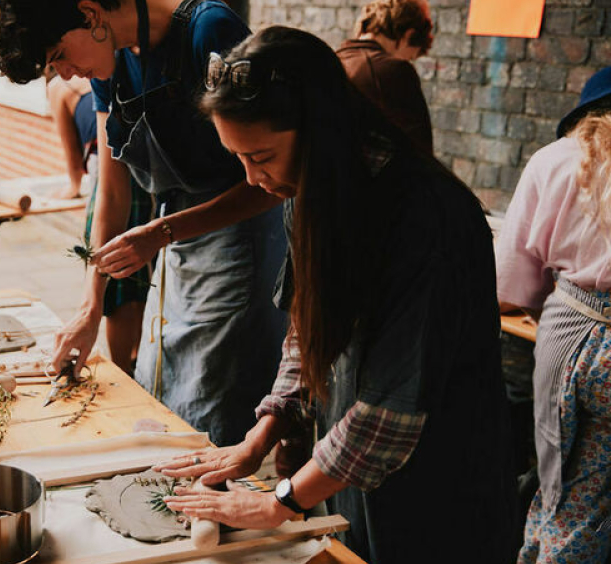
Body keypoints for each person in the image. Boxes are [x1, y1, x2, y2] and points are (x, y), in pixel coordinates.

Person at [156, 27, 519, 563]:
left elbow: (387, 417)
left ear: (319, 131)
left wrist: (279, 502)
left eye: (261, 157)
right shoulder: (311, 188)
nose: (253, 180)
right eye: (239, 160)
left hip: (439, 489)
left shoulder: (425, 220)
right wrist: (263, 432)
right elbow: (307, 327)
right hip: (352, 475)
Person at [0, 0, 289, 447]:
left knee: (213, 415)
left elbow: (273, 179)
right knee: (158, 392)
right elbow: (110, 192)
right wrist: (91, 305)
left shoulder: (208, 32)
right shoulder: (111, 67)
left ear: (90, 14)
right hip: (173, 241)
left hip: (240, 241)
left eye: (59, 59)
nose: (66, 75)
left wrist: (161, 233)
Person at [495, 67, 611, 564]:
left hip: (566, 337)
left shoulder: (553, 161)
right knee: (593, 498)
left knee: (554, 485)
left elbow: (511, 283)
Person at [47, 72, 152, 373]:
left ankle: (123, 369)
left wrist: (69, 190)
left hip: (111, 175)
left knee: (117, 281)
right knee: (144, 275)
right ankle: (138, 360)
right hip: (151, 174)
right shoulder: (114, 74)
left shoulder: (59, 87)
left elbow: (74, 171)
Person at [336, 0, 434, 155]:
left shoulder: (335, 60)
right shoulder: (393, 69)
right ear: (409, 34)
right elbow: (420, 152)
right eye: (409, 56)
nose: (407, 61)